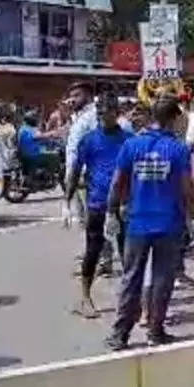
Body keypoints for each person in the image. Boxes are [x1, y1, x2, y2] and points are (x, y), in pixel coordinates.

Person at [106, 95, 194, 349]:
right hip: (169, 224)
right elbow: (187, 188)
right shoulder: (178, 149)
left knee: (131, 278)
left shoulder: (132, 146)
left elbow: (117, 183)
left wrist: (112, 212)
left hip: (137, 224)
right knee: (162, 279)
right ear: (174, 118)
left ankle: (119, 335)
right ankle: (155, 332)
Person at [65, 94, 132, 317]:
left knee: (127, 253)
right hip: (96, 204)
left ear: (117, 113)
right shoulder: (89, 140)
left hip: (123, 206)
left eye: (109, 112)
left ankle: (131, 299)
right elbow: (75, 172)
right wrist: (67, 201)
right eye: (101, 113)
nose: (105, 117)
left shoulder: (128, 140)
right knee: (93, 251)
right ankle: (85, 298)